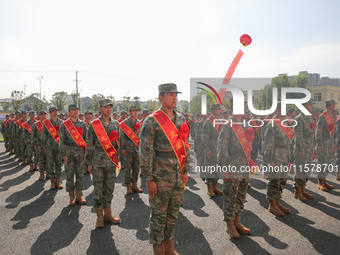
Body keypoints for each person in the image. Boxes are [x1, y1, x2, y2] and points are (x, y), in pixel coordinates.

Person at [140, 83, 190, 255]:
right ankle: (158, 249)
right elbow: (146, 151)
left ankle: (169, 247)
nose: (174, 97)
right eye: (170, 95)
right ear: (160, 97)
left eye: (176, 94)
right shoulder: (152, 120)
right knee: (158, 216)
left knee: (172, 215)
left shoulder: (181, 118)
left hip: (177, 175)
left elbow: (185, 146)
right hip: (160, 177)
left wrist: (185, 171)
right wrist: (149, 178)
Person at [217, 110, 253, 238]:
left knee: (241, 195)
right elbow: (222, 148)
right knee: (230, 196)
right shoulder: (227, 126)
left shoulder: (245, 125)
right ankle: (230, 224)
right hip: (232, 165)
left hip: (244, 164)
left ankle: (237, 222)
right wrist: (224, 167)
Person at [86, 99, 121, 228]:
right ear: (100, 109)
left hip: (111, 161)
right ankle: (99, 216)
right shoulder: (94, 124)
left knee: (109, 188)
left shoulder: (116, 124)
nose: (108, 109)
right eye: (105, 107)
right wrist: (89, 162)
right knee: (98, 189)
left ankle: (108, 214)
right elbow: (89, 144)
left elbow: (118, 143)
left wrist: (119, 158)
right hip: (98, 161)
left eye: (110, 107)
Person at [264, 102, 294, 217]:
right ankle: (272, 205)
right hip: (275, 157)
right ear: (277, 110)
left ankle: (277, 202)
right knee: (274, 181)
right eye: (283, 109)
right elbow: (268, 144)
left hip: (285, 156)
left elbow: (289, 141)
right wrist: (269, 160)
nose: (285, 111)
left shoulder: (285, 123)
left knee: (282, 181)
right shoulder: (272, 124)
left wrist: (290, 158)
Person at [60, 104, 87, 206]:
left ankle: (79, 195)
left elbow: (86, 139)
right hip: (69, 153)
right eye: (73, 110)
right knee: (70, 175)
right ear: (69, 112)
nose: (75, 112)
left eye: (77, 110)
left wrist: (85, 154)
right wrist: (64, 155)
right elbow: (61, 141)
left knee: (80, 175)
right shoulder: (65, 124)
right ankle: (72, 196)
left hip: (80, 153)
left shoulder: (83, 124)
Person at [293, 100, 316, 201]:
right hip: (301, 149)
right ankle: (298, 192)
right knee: (300, 170)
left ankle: (302, 189)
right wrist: (300, 149)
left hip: (309, 148)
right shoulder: (299, 118)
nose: (312, 107)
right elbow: (298, 136)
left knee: (307, 170)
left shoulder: (309, 117)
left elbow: (311, 134)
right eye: (310, 105)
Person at [119, 105, 143, 194]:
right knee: (128, 169)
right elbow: (121, 137)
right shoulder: (125, 123)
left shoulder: (139, 123)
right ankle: (128, 186)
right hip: (128, 149)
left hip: (137, 149)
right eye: (133, 111)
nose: (135, 112)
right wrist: (123, 149)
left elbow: (141, 136)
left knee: (136, 168)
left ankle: (135, 185)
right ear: (129, 112)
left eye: (136, 111)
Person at [202, 104, 224, 197]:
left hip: (219, 149)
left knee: (217, 168)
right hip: (211, 148)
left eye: (219, 109)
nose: (219, 111)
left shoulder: (219, 121)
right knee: (210, 168)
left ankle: (215, 187)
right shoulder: (208, 122)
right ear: (213, 110)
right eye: (217, 109)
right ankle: (209, 188)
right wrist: (207, 149)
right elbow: (204, 137)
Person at [316, 99, 336, 191]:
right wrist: (320, 144)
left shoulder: (330, 115)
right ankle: (320, 182)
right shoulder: (322, 116)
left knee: (327, 162)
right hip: (323, 143)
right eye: (333, 104)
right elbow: (318, 131)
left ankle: (324, 181)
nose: (335, 106)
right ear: (329, 105)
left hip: (329, 142)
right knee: (322, 163)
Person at [42, 106, 63, 190]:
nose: (55, 112)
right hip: (49, 147)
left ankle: (58, 181)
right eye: (53, 111)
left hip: (59, 147)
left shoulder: (62, 122)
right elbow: (43, 136)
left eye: (56, 111)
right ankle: (52, 182)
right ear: (50, 113)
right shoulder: (46, 123)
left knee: (58, 165)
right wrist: (44, 147)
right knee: (50, 165)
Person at [32, 110, 48, 181]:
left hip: (48, 146)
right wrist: (35, 144)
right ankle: (42, 174)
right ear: (39, 116)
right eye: (42, 115)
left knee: (49, 160)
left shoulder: (49, 124)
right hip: (39, 146)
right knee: (41, 160)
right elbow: (33, 136)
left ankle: (48, 173)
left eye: (45, 115)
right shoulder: (35, 124)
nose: (43, 116)